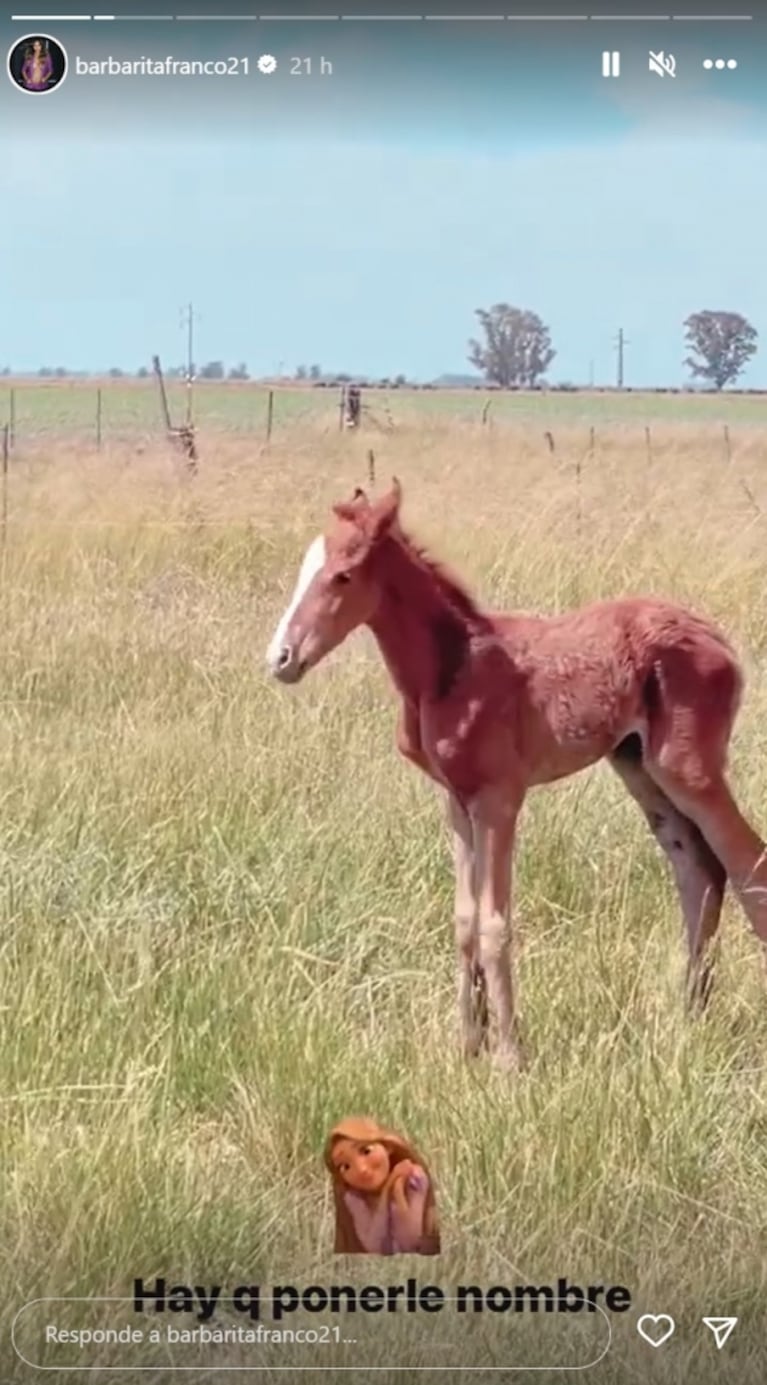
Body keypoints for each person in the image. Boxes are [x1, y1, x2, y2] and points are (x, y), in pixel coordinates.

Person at [324, 1116, 440, 1255]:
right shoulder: (354, 1198)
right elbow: (374, 1246)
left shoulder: (414, 1177)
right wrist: (388, 1188)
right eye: (345, 1166)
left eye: (366, 1151)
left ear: (387, 1147)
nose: (362, 1169)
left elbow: (410, 1242)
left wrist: (397, 1189)